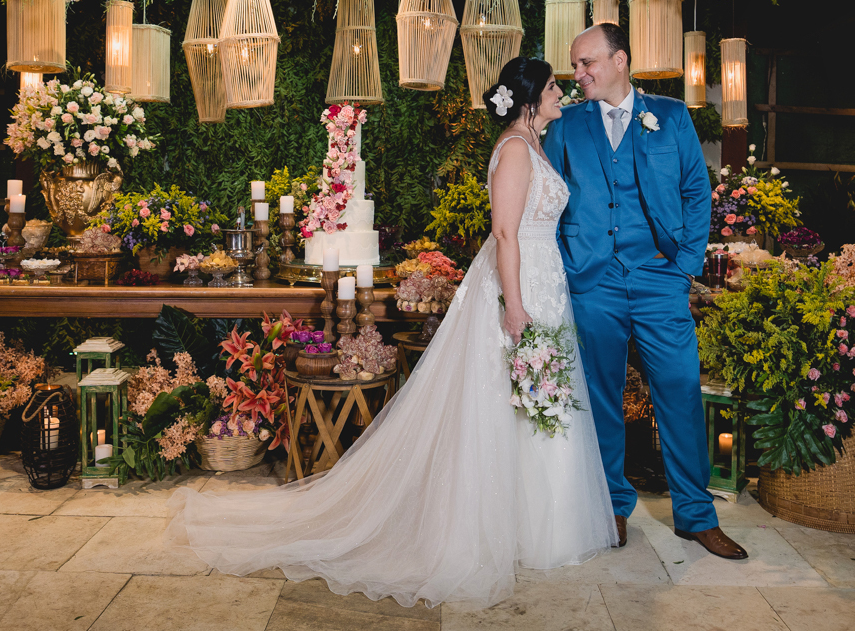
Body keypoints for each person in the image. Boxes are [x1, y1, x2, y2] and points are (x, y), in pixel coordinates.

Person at [165, 57, 617, 609]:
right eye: (551, 87)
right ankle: (506, 527)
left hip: (545, 281)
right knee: (507, 399)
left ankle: (540, 525)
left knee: (536, 397)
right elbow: (505, 232)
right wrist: (516, 306)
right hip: (519, 286)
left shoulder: (535, 143)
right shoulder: (518, 149)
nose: (560, 93)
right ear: (528, 98)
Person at [541, 23, 747, 560]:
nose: (577, 74)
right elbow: (549, 196)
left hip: (660, 279)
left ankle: (696, 516)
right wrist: (565, 262)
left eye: (586, 63)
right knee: (600, 397)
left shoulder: (670, 116)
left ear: (620, 61)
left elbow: (696, 191)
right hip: (593, 280)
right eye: (575, 65)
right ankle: (611, 505)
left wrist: (683, 267)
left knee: (679, 391)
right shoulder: (567, 123)